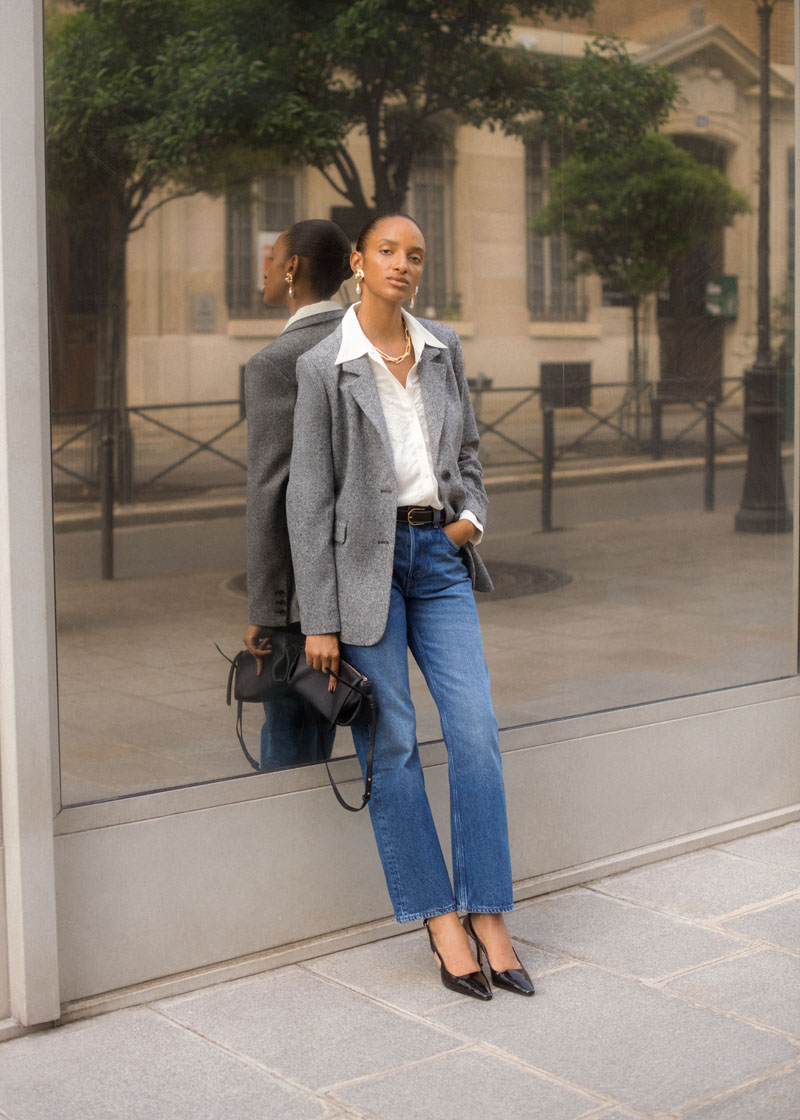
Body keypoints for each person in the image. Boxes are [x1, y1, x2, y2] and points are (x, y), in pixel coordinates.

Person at [286, 213, 533, 1000]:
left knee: (476, 734)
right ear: (358, 262)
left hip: (439, 560)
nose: (402, 264)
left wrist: (471, 520)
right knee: (390, 746)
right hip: (365, 574)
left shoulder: (441, 348)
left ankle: (489, 910)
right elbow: (307, 497)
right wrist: (318, 619)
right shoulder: (326, 366)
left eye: (416, 255)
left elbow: (467, 452)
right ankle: (439, 920)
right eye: (388, 251)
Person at [243, 218, 351, 770]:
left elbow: (271, 489)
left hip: (299, 594)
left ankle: (278, 850)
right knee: (325, 723)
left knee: (286, 727)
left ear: (291, 268)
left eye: (272, 257)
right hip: (362, 583)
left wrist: (266, 606)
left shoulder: (273, 364)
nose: (263, 269)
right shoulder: (363, 343)